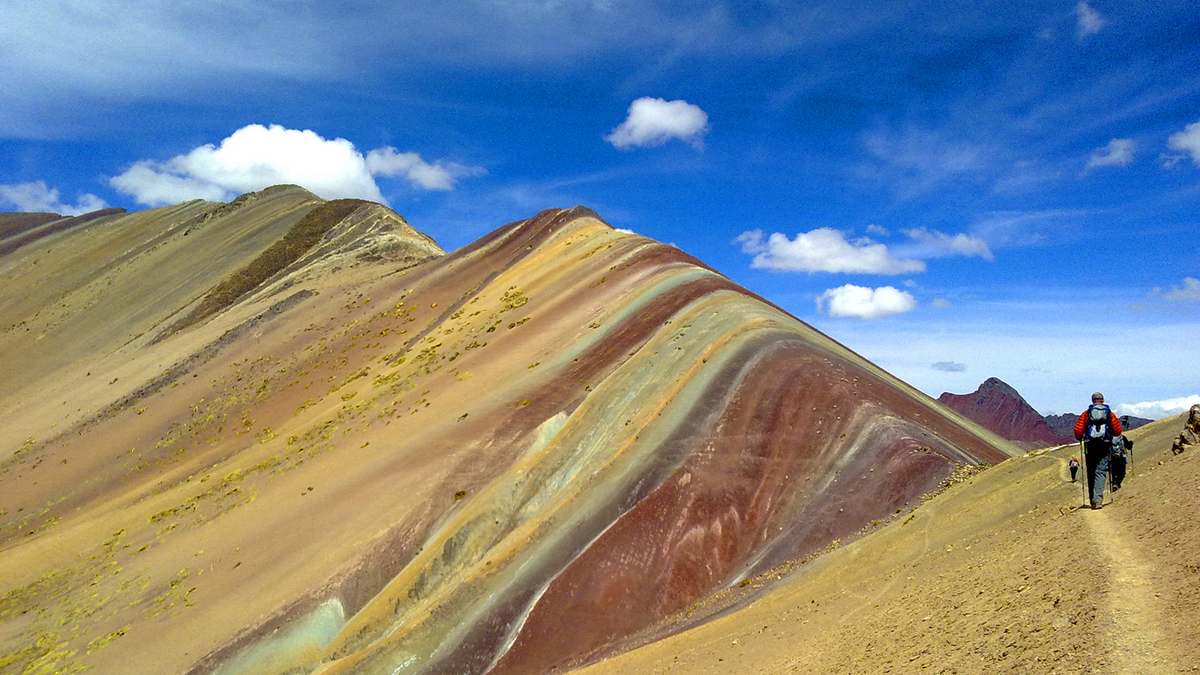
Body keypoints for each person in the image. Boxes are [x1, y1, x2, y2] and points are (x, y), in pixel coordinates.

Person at [1074, 392, 1123, 509]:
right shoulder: (1109, 414)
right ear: (1103, 400)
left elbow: (1078, 430)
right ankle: (1098, 500)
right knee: (1101, 471)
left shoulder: (1086, 414)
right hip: (1104, 445)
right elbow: (1118, 431)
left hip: (1090, 445)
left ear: (1092, 400)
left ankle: (1092, 500)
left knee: (1091, 471)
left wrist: (1081, 437)